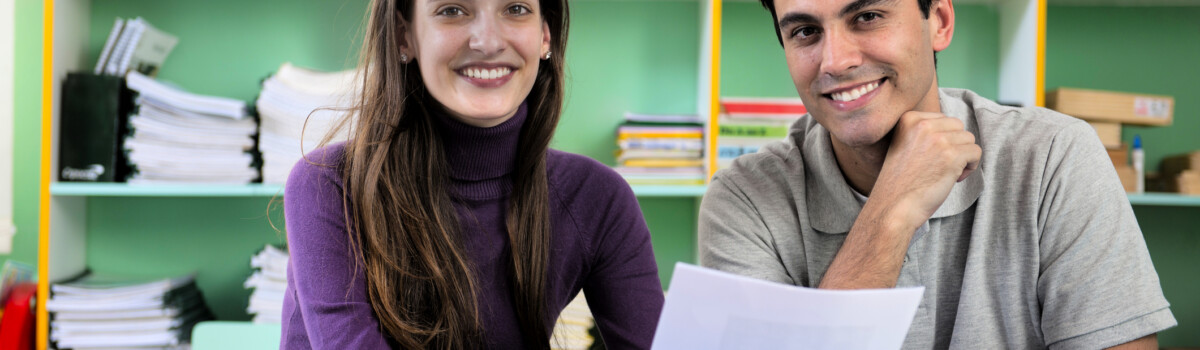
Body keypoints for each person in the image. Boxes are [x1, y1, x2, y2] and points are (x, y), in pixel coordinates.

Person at [698, 0, 1175, 348]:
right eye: (805, 32)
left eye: (867, 16)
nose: (835, 61)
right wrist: (892, 209)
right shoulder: (742, 198)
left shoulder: (1052, 154)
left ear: (939, 22)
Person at [280, 0, 664, 348]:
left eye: (515, 9)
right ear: (404, 36)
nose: (488, 42)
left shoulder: (596, 196)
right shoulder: (328, 184)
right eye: (452, 10)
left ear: (545, 33)